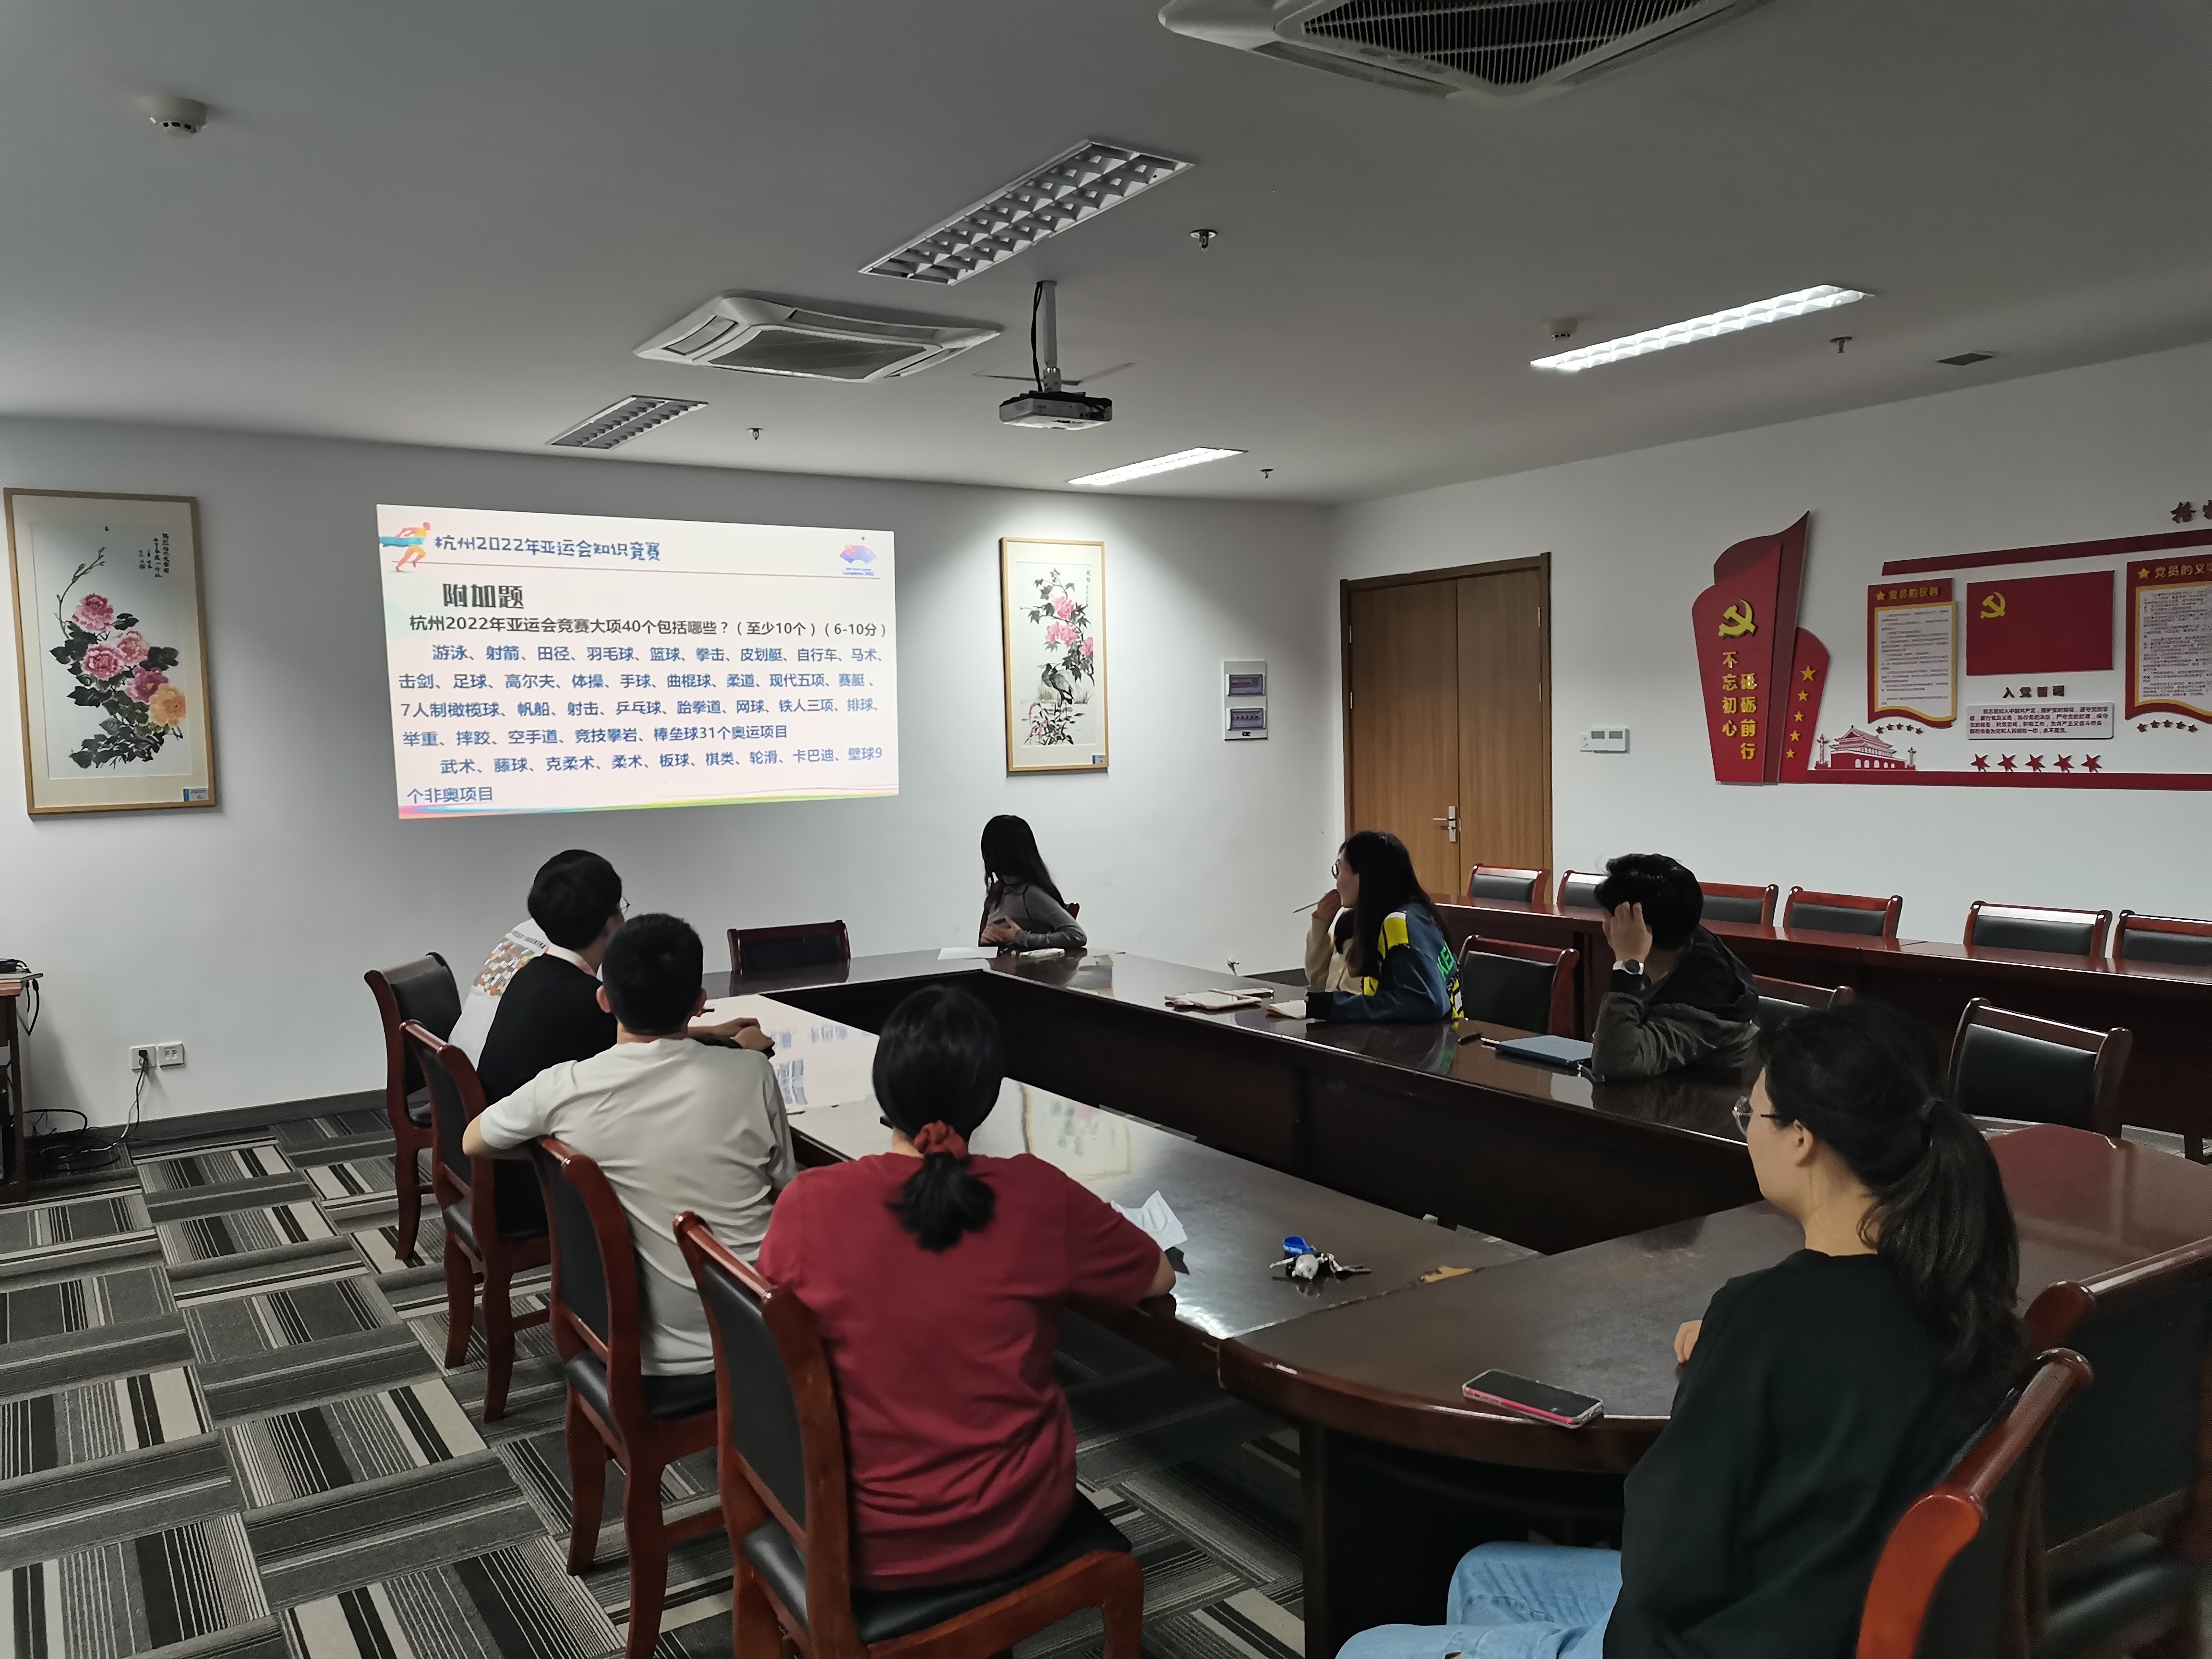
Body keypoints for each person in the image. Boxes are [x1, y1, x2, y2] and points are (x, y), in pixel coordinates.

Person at [1338, 1001, 2025, 1659]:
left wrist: (1727, 1359)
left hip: (1729, 1641)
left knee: (1363, 1649)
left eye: (1751, 1113)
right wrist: (1733, 1350)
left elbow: (1664, 1565)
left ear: (1802, 1140)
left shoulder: (1765, 1317)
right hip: (1823, 1612)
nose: (1746, 1129)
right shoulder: (1966, 1298)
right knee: (1484, 1573)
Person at [757, 986, 1174, 1588]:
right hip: (1005, 1522)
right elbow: (1156, 1275)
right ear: (988, 1094)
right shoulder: (1036, 1195)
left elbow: (772, 1351)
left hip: (841, 1524)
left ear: (884, 1090)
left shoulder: (807, 1204)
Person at [464, 914, 788, 1375]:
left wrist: (555, 1151)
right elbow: (785, 1185)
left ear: (603, 999)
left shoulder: (562, 1088)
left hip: (624, 1336)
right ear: (700, 1003)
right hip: (754, 1328)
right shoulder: (753, 1072)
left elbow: (473, 1140)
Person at [1589, 853, 1759, 1080]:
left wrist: (1628, 964)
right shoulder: (1688, 941)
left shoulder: (1702, 1004)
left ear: (1634, 925)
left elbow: (1614, 1062)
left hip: (1713, 1100)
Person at [474, 851, 624, 1104]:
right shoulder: (589, 1002)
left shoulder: (528, 974)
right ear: (610, 924)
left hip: (495, 1116)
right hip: (532, 1127)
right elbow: (630, 1068)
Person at [1310, 830, 1461, 1022]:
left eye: (1339, 870)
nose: (1337, 881)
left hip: (1429, 1039)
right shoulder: (1376, 918)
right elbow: (1320, 980)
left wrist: (1335, 1006)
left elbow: (1420, 1002)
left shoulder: (1400, 923)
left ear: (1364, 876)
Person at [977, 814, 1087, 953]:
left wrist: (1021, 937)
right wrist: (987, 939)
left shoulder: (1030, 894)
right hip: (1001, 964)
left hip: (1026, 966)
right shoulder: (998, 890)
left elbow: (1077, 935)